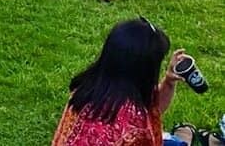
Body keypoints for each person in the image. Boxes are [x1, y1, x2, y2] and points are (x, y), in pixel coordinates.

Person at [52, 18, 185, 146]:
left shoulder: (86, 88)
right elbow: (151, 115)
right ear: (144, 70)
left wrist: (169, 82)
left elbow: (152, 109)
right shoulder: (135, 128)